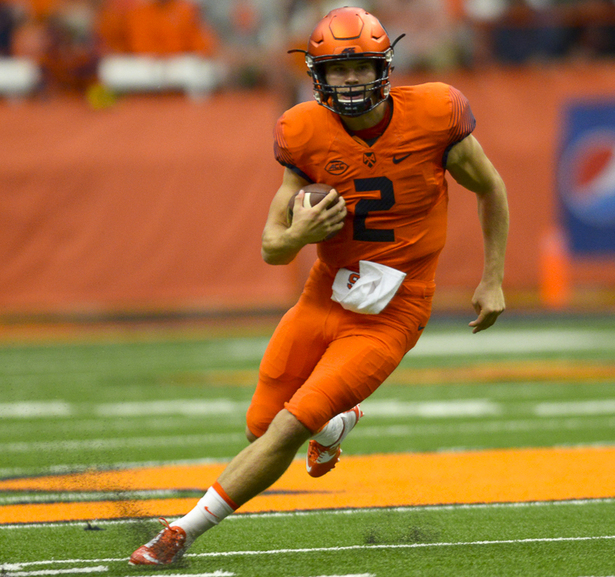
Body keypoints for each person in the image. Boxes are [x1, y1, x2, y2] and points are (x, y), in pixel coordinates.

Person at [129, 5, 509, 566]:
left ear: (383, 67)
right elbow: (271, 248)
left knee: (285, 427)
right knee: (261, 425)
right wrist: (301, 233)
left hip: (392, 312)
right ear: (318, 74)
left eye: (359, 67)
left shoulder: (436, 114)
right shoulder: (303, 130)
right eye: (337, 69)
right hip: (324, 294)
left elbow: (491, 189)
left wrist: (493, 279)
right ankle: (336, 423)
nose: (349, 79)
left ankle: (181, 531)